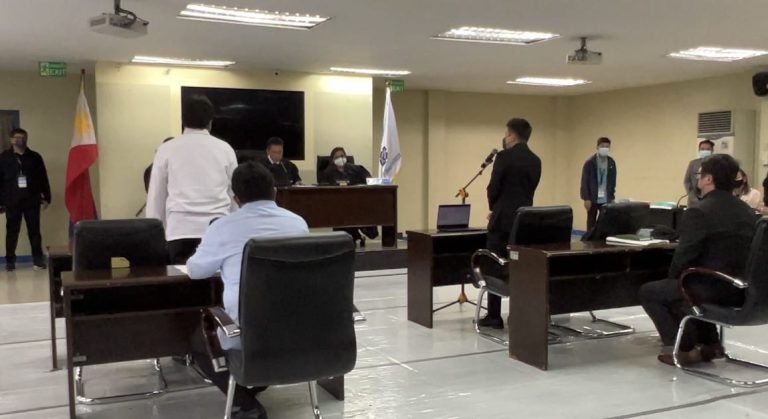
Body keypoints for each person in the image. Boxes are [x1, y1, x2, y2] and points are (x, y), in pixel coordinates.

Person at [187, 161, 308, 419]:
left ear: (236, 199)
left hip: (248, 333)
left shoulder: (223, 227)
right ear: (274, 191)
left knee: (198, 339)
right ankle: (250, 386)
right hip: (297, 330)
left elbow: (196, 271)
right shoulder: (298, 223)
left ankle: (244, 402)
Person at [639, 154, 758, 366]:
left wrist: (672, 278)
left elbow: (684, 256)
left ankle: (683, 349)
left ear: (708, 179)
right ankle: (711, 344)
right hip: (745, 290)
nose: (698, 179)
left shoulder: (699, 211)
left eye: (700, 175)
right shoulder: (747, 211)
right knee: (693, 285)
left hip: (714, 288)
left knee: (653, 291)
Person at [146, 95, 238, 264]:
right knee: (218, 280)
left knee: (181, 280)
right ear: (210, 122)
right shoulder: (226, 150)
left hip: (179, 231)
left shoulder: (166, 149)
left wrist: (154, 237)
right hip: (219, 230)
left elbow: (156, 197)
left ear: (183, 120)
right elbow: (234, 195)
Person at [480, 118, 541, 329]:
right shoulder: (536, 160)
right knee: (520, 269)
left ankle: (494, 315)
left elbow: (493, 187)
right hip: (524, 221)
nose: (504, 138)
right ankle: (518, 314)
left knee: (494, 265)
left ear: (512, 136)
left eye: (506, 134)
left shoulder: (504, 157)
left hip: (502, 221)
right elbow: (530, 189)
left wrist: (495, 209)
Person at [0, 128, 51, 271]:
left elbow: (43, 178)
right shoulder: (3, 158)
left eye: (23, 137)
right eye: (17, 137)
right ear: (11, 140)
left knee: (34, 231)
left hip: (32, 200)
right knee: (12, 232)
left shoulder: (35, 157)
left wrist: (47, 197)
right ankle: (10, 261)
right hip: (12, 201)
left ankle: (38, 260)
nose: (20, 140)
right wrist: (0, 202)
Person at [318, 146, 378, 245]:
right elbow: (323, 188)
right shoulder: (328, 172)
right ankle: (353, 236)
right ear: (332, 160)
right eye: (337, 157)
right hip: (337, 205)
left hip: (356, 202)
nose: (340, 159)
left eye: (342, 156)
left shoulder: (356, 168)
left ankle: (357, 234)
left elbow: (369, 179)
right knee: (344, 212)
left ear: (346, 157)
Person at [580, 137, 617, 230]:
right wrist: (586, 198)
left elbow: (613, 181)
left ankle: (601, 238)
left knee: (605, 221)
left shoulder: (611, 162)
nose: (605, 148)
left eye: (607, 147)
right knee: (591, 221)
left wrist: (612, 197)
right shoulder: (590, 163)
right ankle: (589, 238)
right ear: (597, 147)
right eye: (602, 146)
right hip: (592, 198)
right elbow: (584, 182)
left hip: (606, 198)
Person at [683, 139, 714, 207]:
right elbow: (687, 181)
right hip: (693, 202)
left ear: (712, 150)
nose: (705, 151)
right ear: (699, 150)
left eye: (707, 149)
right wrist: (692, 196)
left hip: (711, 201)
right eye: (702, 149)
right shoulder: (693, 163)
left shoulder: (716, 164)